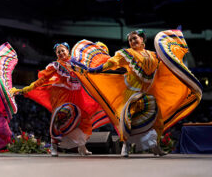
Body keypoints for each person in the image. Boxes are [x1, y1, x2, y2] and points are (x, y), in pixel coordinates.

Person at [71, 29, 202, 157]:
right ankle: (125, 146)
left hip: (148, 92)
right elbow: (112, 63)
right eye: (130, 40)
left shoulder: (154, 55)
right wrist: (95, 70)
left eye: (135, 38)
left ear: (142, 39)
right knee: (127, 119)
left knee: (158, 121)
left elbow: (168, 64)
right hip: (131, 93)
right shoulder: (126, 54)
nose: (132, 41)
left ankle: (155, 146)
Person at [11, 42, 108, 156]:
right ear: (56, 54)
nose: (61, 53)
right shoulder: (56, 66)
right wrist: (28, 88)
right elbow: (42, 80)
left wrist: (99, 49)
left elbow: (91, 69)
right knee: (60, 118)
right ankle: (53, 145)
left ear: (68, 51)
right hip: (62, 95)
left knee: (83, 120)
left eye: (63, 50)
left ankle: (82, 147)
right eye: (59, 52)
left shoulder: (77, 63)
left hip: (78, 96)